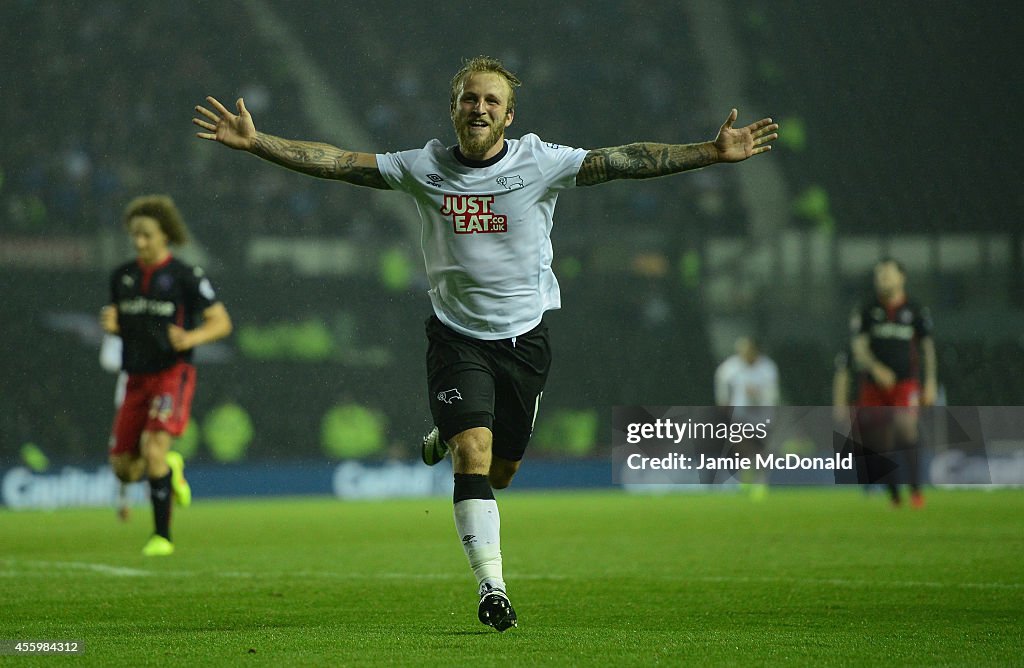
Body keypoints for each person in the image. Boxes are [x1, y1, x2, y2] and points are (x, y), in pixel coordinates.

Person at [193, 55, 778, 631]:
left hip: (525, 343)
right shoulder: (422, 166)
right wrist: (259, 141)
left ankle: (446, 432)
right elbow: (340, 162)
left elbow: (622, 161)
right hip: (456, 339)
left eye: (490, 101)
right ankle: (492, 588)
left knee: (500, 473)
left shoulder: (540, 161)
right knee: (472, 454)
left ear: (508, 114)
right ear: (453, 109)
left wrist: (710, 152)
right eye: (469, 99)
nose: (479, 108)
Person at [100, 194, 233, 556]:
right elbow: (131, 327)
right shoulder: (122, 277)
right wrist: (114, 327)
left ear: (165, 235)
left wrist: (191, 337)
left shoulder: (185, 276)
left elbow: (221, 323)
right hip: (136, 377)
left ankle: (162, 537)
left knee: (154, 449)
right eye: (135, 235)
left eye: (146, 235)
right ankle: (171, 469)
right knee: (125, 470)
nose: (139, 242)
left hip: (172, 374)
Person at [850, 257, 936, 508]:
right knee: (880, 441)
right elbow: (859, 347)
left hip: (905, 383)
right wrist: (876, 368)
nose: (883, 280)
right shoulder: (867, 310)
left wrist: (929, 383)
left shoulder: (916, 310)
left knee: (906, 428)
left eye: (888, 275)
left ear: (902, 277)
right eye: (879, 276)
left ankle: (916, 490)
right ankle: (895, 496)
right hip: (873, 386)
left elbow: (927, 349)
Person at [712, 336, 779, 495]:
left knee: (761, 448)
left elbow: (773, 393)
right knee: (742, 446)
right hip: (741, 414)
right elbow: (721, 384)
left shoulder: (767, 367)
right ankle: (746, 477)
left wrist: (759, 395)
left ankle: (761, 479)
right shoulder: (730, 367)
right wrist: (724, 402)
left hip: (763, 414)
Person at [99, 333, 132, 521]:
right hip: (127, 399)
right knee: (123, 451)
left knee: (154, 446)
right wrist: (134, 360)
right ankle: (123, 499)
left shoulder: (158, 318)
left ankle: (161, 497)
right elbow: (107, 359)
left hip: (156, 393)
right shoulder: (121, 323)